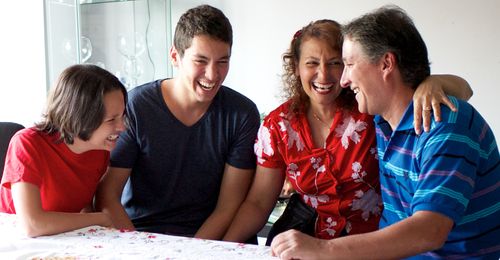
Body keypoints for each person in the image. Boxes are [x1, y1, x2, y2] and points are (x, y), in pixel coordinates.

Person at [270, 6, 499, 259]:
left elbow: (430, 231)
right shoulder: (382, 122)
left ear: (386, 64)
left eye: (347, 64)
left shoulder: (444, 125)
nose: (343, 80)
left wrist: (321, 248)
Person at [223, 19, 473, 245]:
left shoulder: (371, 107)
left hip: (375, 239)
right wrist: (219, 247)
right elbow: (257, 204)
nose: (324, 74)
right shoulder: (278, 124)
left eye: (335, 63)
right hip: (304, 235)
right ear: (296, 68)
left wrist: (432, 83)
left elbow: (464, 89)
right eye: (311, 63)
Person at [95, 4, 260, 241]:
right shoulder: (135, 106)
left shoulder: (242, 114)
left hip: (209, 240)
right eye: (200, 61)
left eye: (222, 61)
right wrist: (142, 250)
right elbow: (107, 197)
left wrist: (191, 253)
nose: (213, 75)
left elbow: (228, 208)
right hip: (141, 234)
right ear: (175, 56)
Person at [0, 64, 127, 237]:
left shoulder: (98, 150)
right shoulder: (27, 144)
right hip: (18, 241)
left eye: (122, 116)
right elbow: (31, 225)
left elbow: (83, 208)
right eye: (112, 119)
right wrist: (100, 219)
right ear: (80, 117)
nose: (122, 127)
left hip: (63, 238)